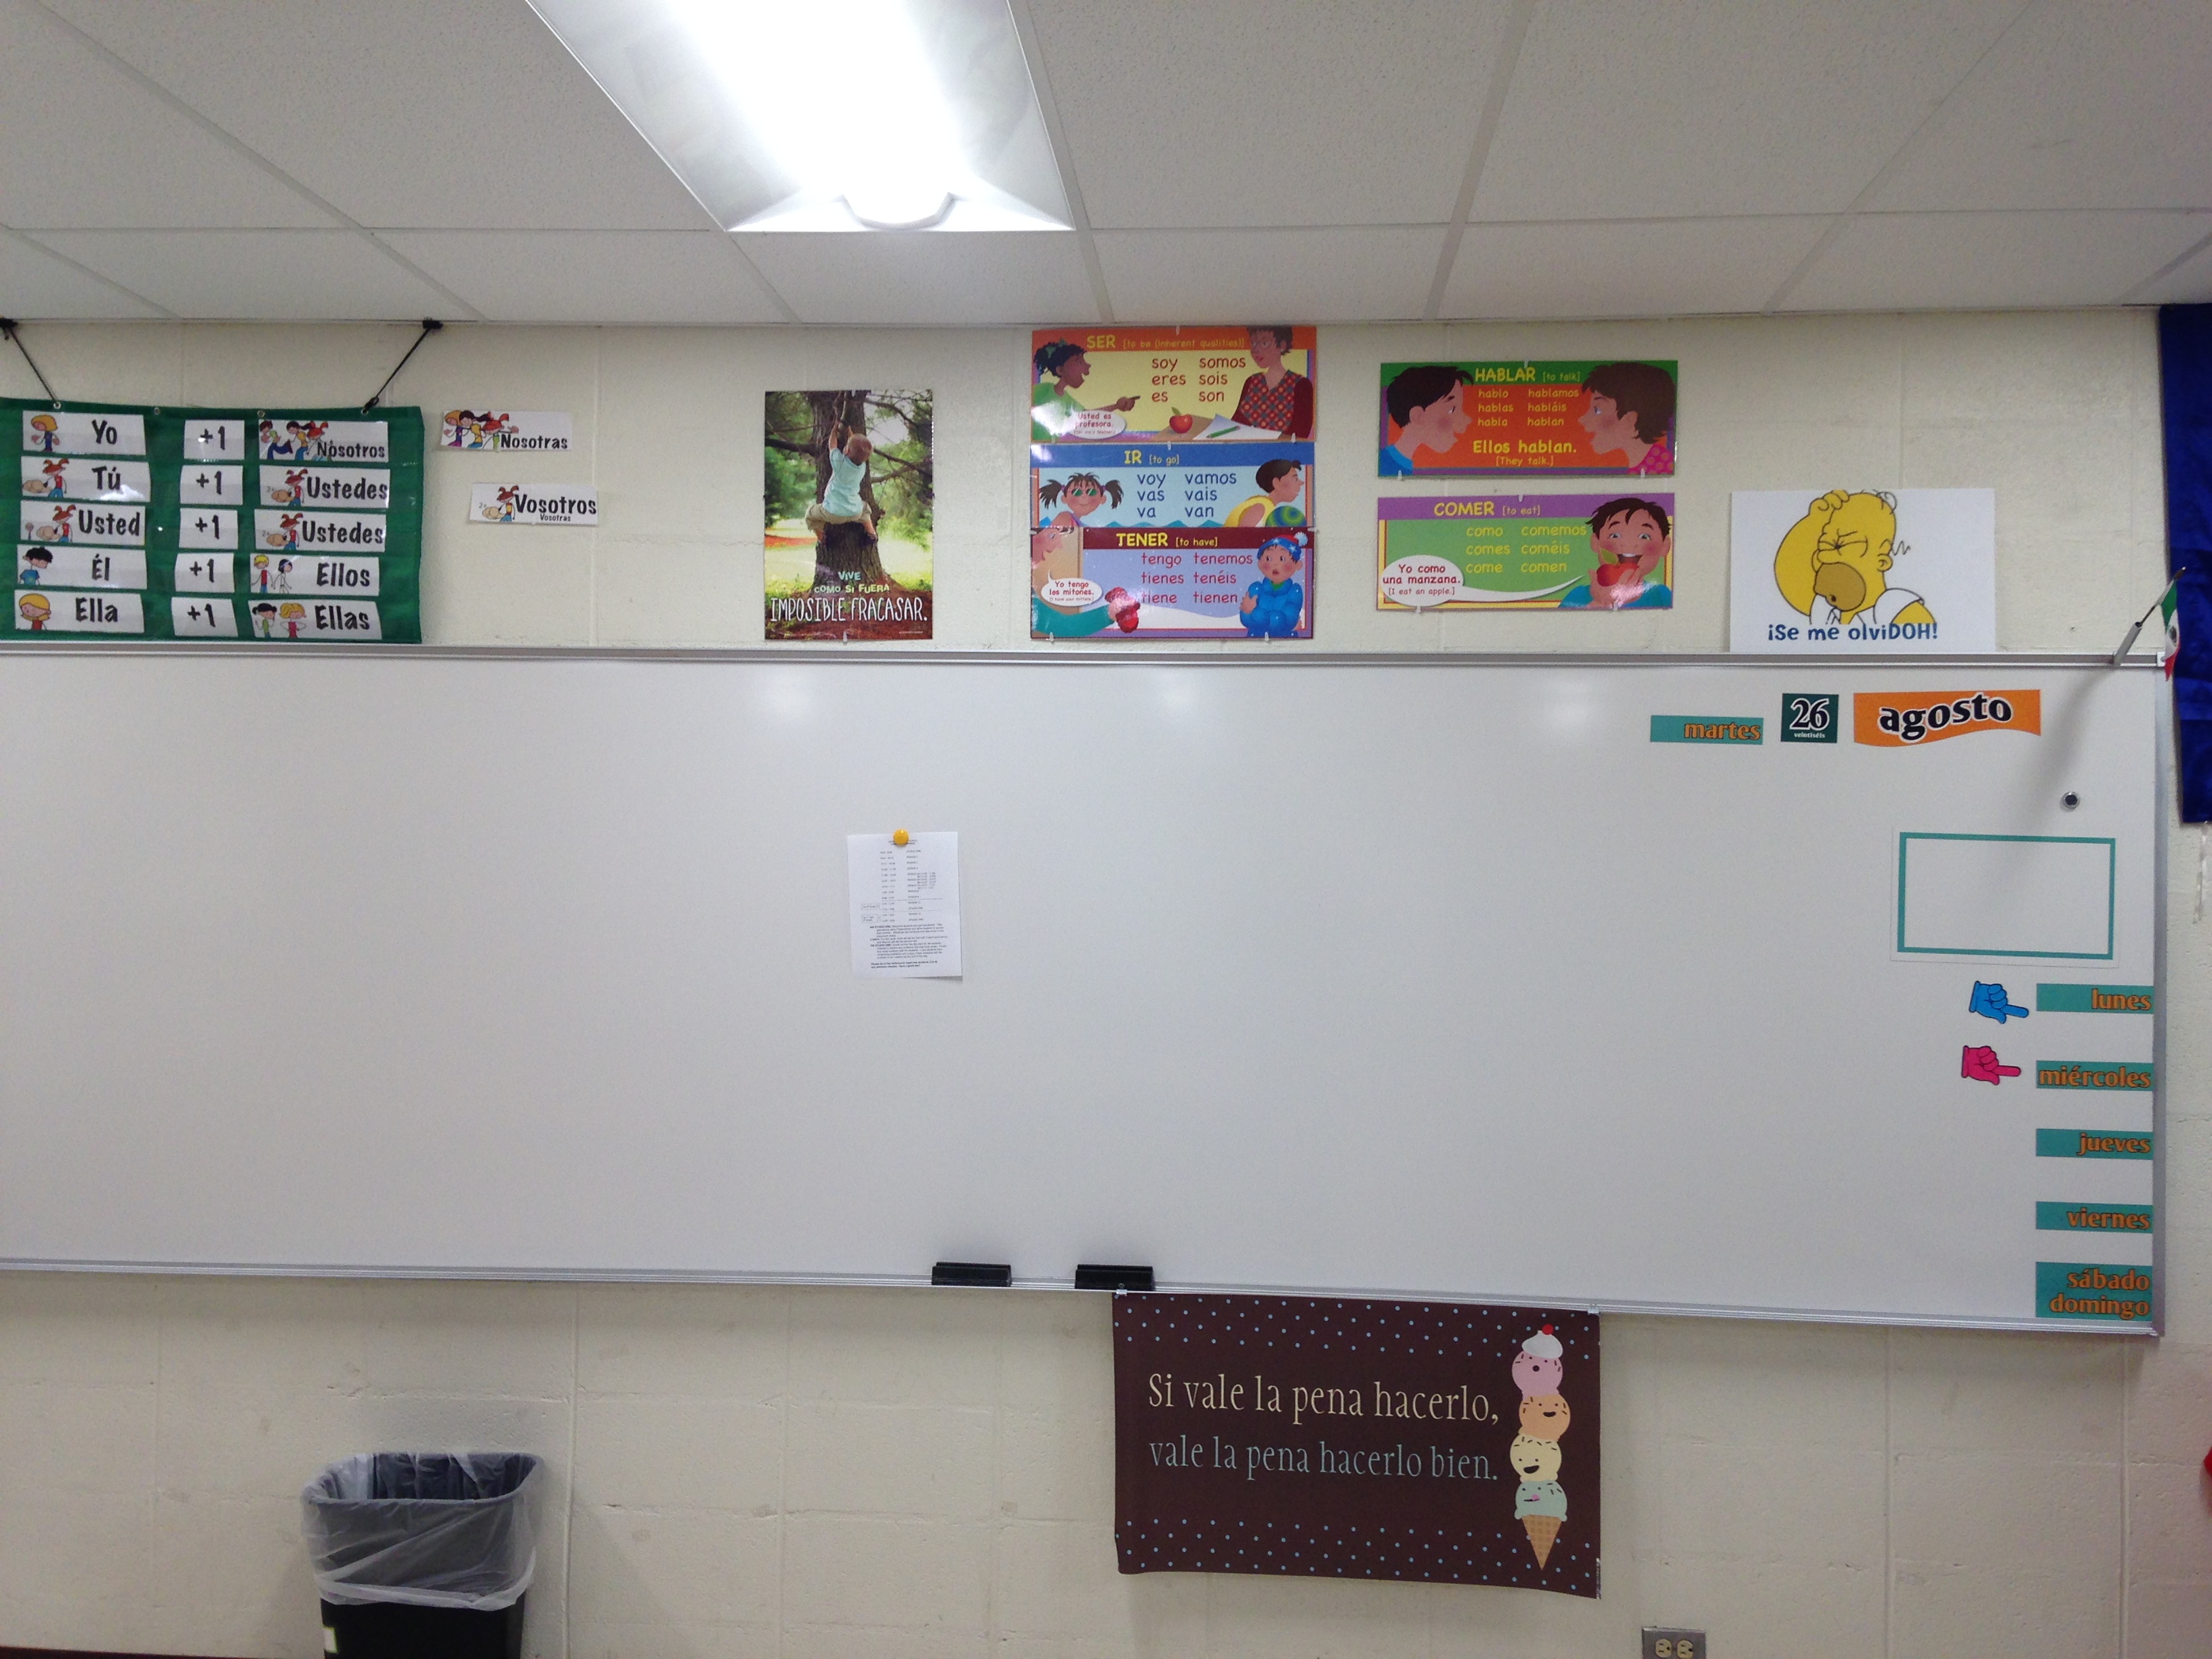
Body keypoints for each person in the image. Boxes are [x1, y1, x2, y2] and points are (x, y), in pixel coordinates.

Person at [1774, 489, 1934, 630]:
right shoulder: (1825, 611)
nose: (1825, 558)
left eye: (1840, 545)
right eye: (1824, 546)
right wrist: (1812, 522)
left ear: (1882, 561)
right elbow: (1790, 577)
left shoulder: (1897, 610)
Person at [1555, 498, 1673, 611]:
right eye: (1615, 536)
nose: (1629, 544)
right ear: (1595, 542)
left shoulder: (1661, 595)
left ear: (1665, 546)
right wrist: (1601, 603)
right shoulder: (1577, 595)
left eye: (1644, 537)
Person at [1577, 363, 1675, 474]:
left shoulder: (1661, 469)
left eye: (1598, 410)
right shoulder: (1653, 466)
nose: (1582, 419)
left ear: (1631, 421)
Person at [1032, 341, 1139, 441]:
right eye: (1079, 363)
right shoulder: (1042, 389)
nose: (1088, 365)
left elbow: (1088, 416)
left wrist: (1116, 406)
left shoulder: (1069, 400)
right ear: (1060, 370)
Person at [1380, 365, 1474, 474]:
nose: (1467, 420)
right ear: (1417, 416)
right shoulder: (1386, 465)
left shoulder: (1402, 465)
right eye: (1451, 410)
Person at [1230, 326, 1313, 438]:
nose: (1256, 350)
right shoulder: (1252, 382)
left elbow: (1301, 433)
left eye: (1265, 343)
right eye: (1253, 343)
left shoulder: (1301, 385)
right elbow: (1236, 425)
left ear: (1282, 346)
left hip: (1281, 449)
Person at [806, 421, 876, 545]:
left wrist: (834, 430)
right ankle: (872, 534)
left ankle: (822, 539)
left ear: (846, 451)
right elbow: (855, 446)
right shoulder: (862, 467)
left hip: (833, 513)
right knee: (865, 509)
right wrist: (849, 432)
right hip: (855, 512)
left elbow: (832, 446)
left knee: (810, 514)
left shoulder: (839, 462)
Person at [1240, 535, 1307, 638]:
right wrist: (1247, 612)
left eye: (1282, 559)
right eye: (1268, 559)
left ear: (1298, 565)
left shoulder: (1294, 591)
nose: (1275, 564)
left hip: (1285, 642)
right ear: (1260, 564)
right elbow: (1246, 620)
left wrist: (1254, 611)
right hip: (1254, 640)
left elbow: (1281, 623)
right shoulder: (1256, 589)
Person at [1036, 472, 1122, 529]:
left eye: (1091, 492)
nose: (1084, 496)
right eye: (1077, 492)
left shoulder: (1078, 522)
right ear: (1064, 499)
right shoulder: (1064, 518)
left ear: (1103, 499)